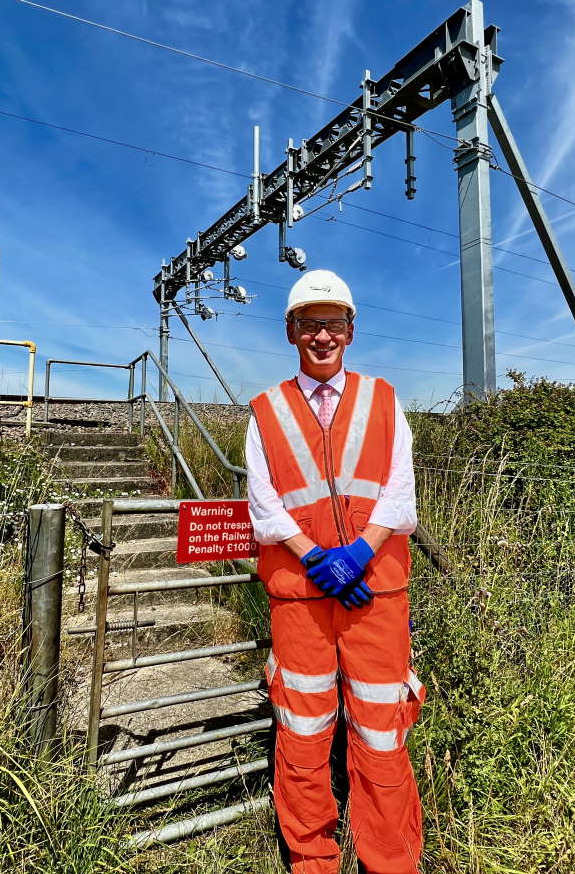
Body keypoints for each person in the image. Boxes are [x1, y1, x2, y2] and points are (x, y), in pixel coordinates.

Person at [245, 269, 424, 874]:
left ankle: (390, 861)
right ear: (291, 332)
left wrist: (357, 556)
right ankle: (311, 857)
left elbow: (399, 493)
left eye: (334, 324)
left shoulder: (383, 398)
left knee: (381, 729)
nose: (323, 336)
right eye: (310, 324)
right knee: (303, 726)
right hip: (302, 596)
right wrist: (315, 557)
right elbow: (264, 502)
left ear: (351, 331)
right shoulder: (265, 410)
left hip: (374, 590)